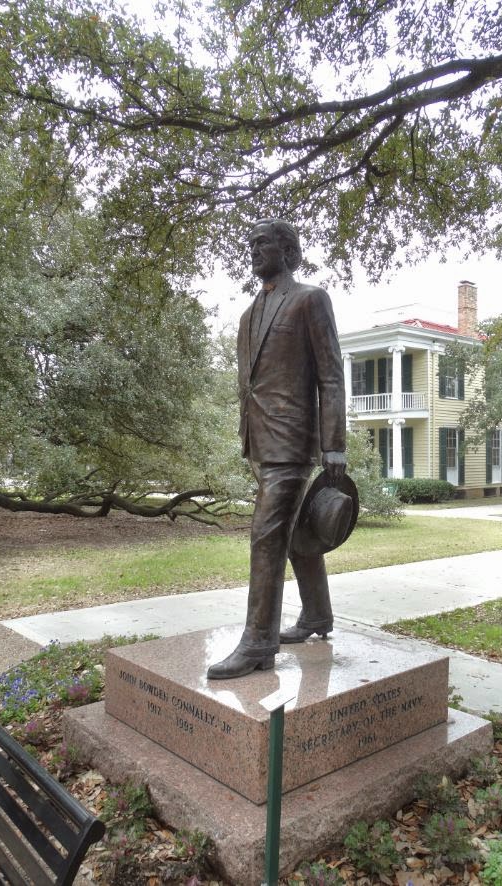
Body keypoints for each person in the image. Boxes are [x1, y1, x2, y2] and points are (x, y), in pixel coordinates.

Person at [207, 218, 347, 679]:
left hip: (293, 441)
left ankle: (258, 642)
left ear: (288, 251)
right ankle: (316, 616)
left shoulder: (310, 299)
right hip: (258, 440)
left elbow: (330, 375)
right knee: (293, 533)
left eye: (261, 243)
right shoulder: (249, 315)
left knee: (266, 536)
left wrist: (334, 446)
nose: (253, 251)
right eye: (250, 245)